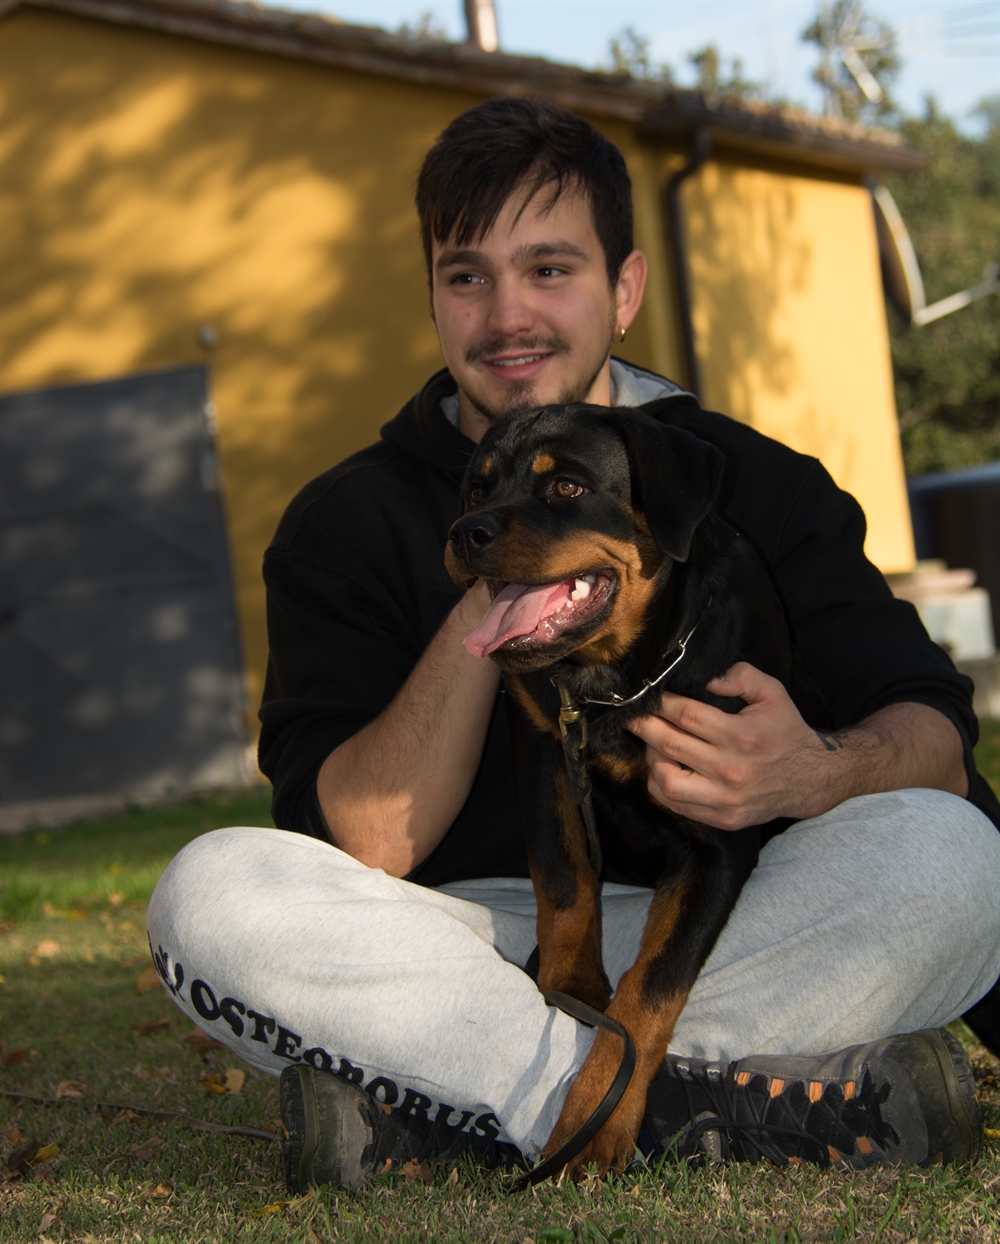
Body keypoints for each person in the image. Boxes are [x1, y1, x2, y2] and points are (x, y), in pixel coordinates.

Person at [148, 98, 999, 1189]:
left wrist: (817, 771)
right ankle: (692, 1099)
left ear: (624, 289)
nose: (507, 315)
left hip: (736, 919)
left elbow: (935, 736)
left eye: (549, 269)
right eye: (467, 276)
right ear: (433, 299)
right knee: (211, 895)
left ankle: (470, 1102)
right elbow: (363, 841)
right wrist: (508, 577)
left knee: (952, 853)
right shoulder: (341, 523)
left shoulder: (747, 480)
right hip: (470, 948)